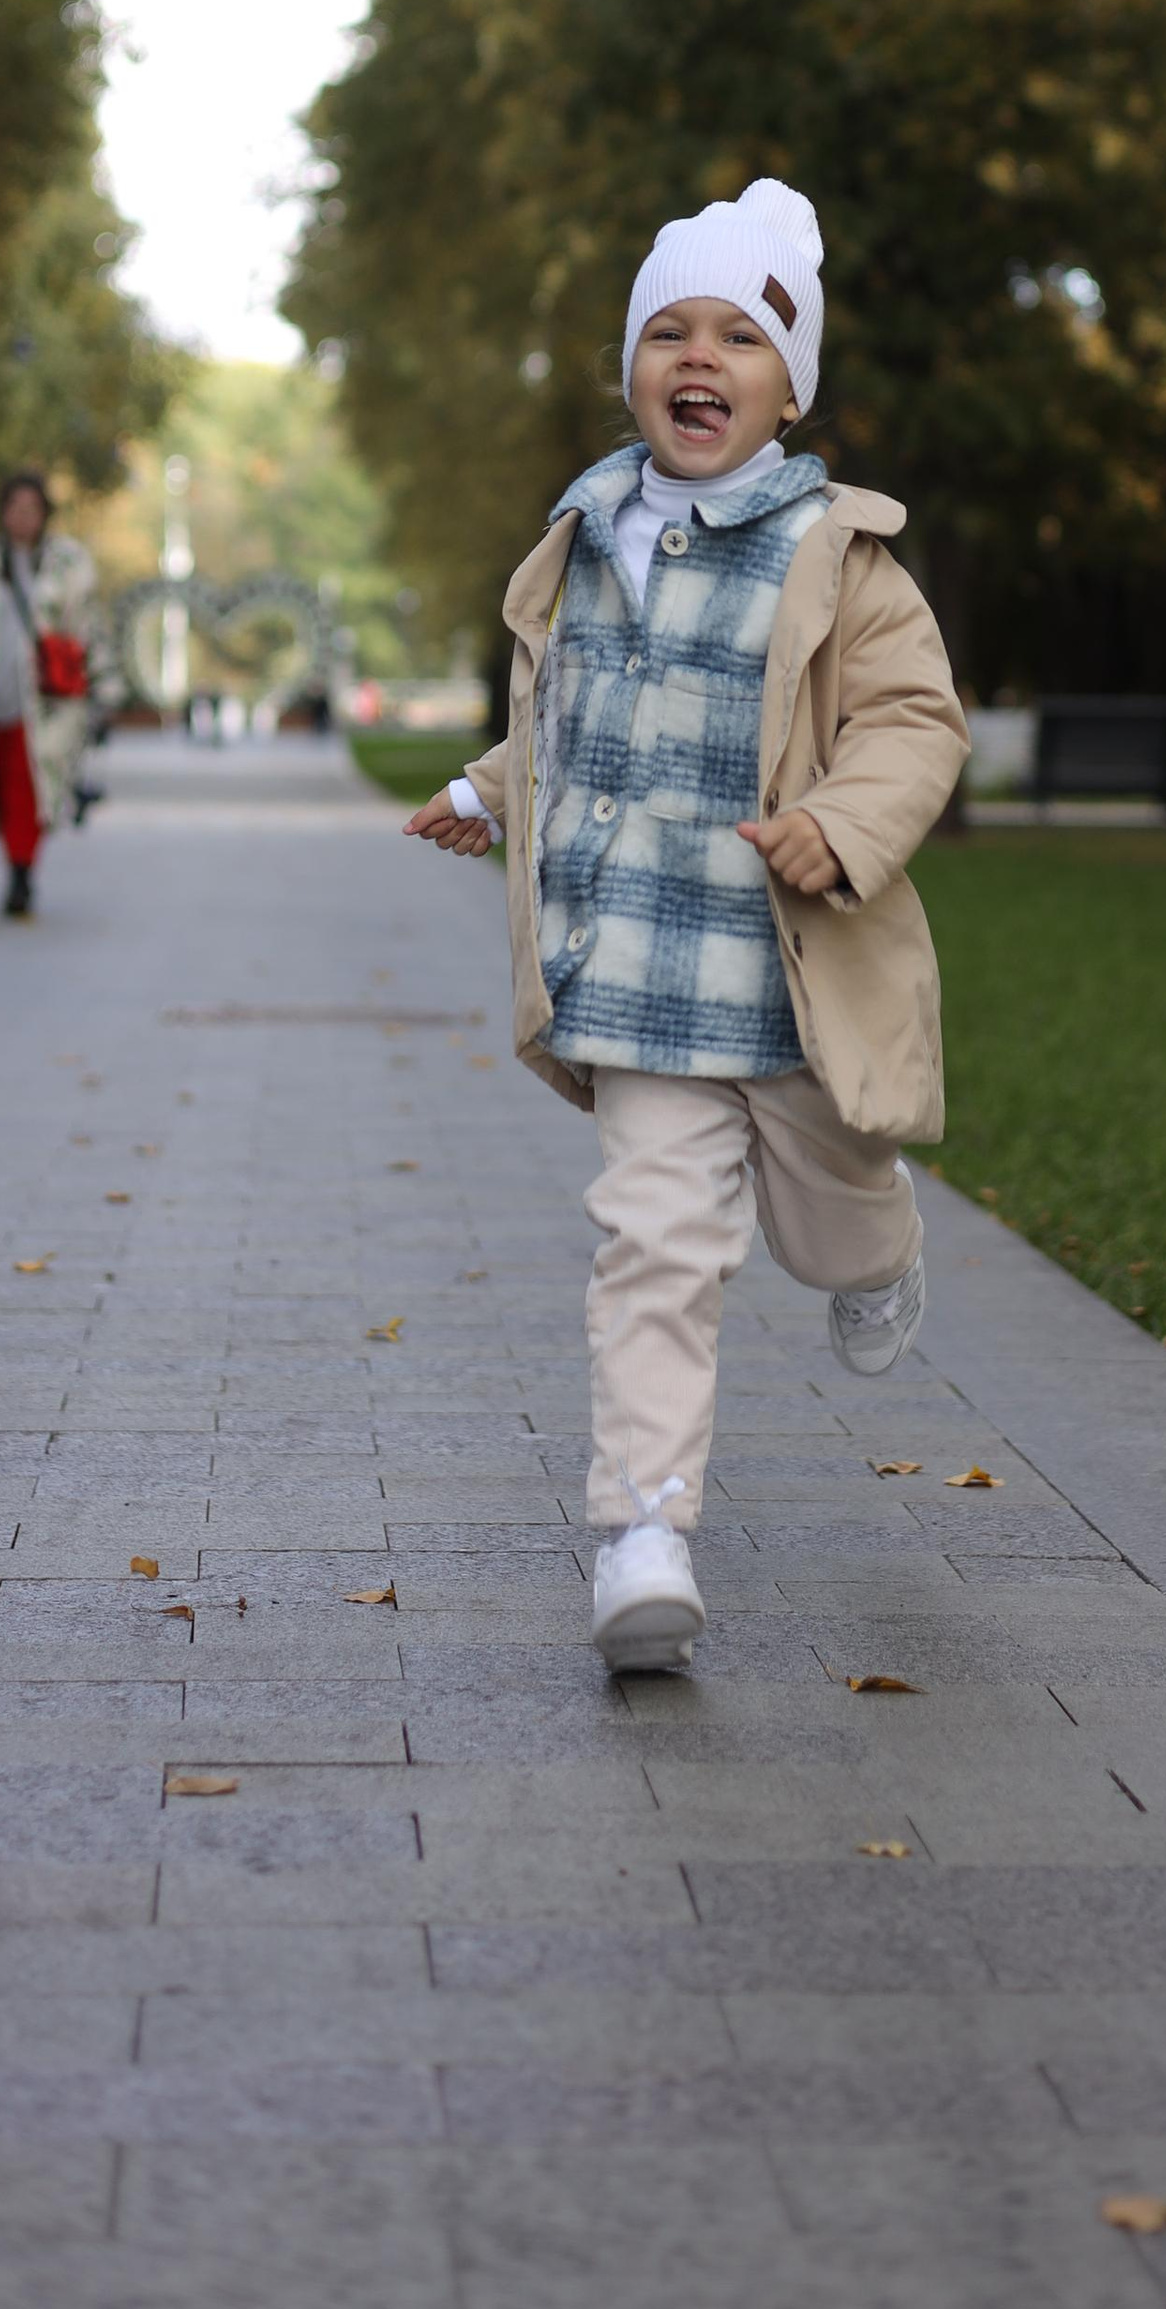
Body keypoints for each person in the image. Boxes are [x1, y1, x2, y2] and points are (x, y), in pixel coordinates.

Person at [405, 178, 969, 1673]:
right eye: (669, 332)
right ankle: (645, 1534)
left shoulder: (841, 560)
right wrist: (490, 786)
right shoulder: (587, 543)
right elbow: (592, 730)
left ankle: (878, 1250)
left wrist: (840, 828)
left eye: (738, 334)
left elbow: (915, 725)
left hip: (793, 990)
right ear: (631, 369)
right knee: (653, 1249)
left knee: (832, 1224)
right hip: (647, 988)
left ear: (791, 386)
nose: (698, 358)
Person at [0, 471, 100, 918]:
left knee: (29, 783)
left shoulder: (69, 563)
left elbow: (88, 627)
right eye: (14, 509)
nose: (23, 518)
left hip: (44, 697)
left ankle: (21, 873)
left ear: (44, 515)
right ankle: (15, 864)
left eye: (31, 510)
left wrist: (100, 689)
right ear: (1, 513)